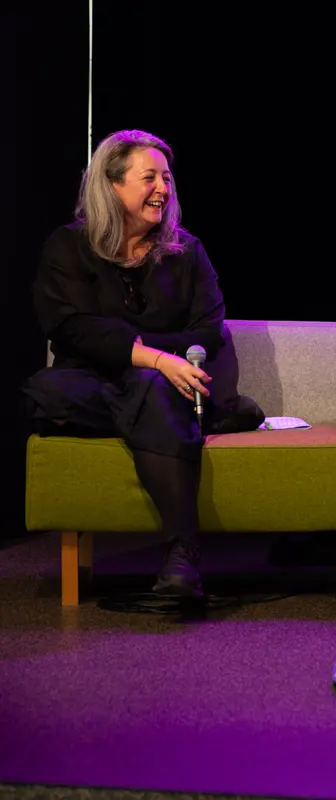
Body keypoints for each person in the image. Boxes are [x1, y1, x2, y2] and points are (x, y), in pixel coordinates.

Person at [24, 129, 230, 598]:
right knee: (47, 392)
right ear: (112, 185)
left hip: (159, 387)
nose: (164, 188)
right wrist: (157, 356)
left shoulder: (188, 252)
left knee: (153, 389)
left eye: (167, 178)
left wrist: (135, 355)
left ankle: (183, 553)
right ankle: (184, 418)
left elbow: (207, 333)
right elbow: (71, 328)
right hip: (89, 383)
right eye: (149, 177)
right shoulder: (67, 246)